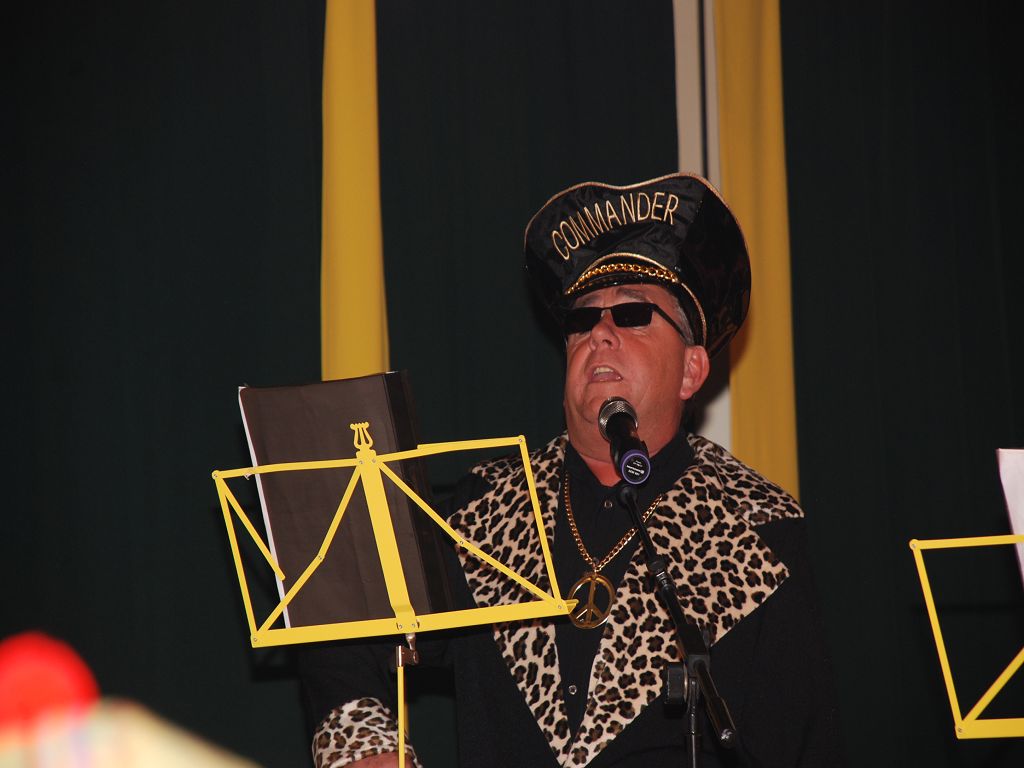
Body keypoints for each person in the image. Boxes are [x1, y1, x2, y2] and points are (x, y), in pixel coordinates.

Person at [298, 174, 843, 767]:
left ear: (691, 370)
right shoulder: (487, 508)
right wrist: (368, 749)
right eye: (582, 321)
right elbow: (338, 610)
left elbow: (803, 746)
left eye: (632, 313)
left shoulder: (757, 530)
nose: (600, 333)